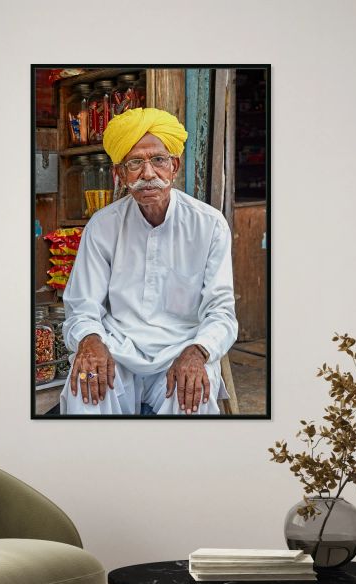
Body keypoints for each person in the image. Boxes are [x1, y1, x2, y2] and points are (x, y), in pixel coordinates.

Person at [59, 107, 238, 415]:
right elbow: (82, 305)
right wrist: (90, 340)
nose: (148, 174)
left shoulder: (209, 224)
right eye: (135, 163)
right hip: (117, 348)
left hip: (181, 351)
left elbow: (220, 311)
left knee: (192, 399)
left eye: (158, 160)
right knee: (83, 389)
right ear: (119, 174)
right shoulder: (103, 226)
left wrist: (198, 350)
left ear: (174, 166)